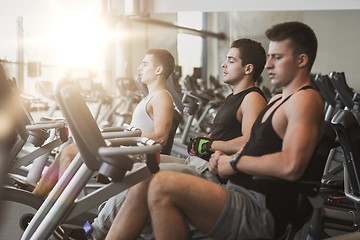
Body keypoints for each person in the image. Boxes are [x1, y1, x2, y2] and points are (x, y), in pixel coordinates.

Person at [105, 21, 325, 240]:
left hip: (258, 209)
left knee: (159, 184)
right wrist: (219, 153)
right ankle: (99, 232)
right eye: (269, 56)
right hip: (238, 191)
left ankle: (99, 230)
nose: (267, 65)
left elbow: (292, 166)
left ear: (301, 60)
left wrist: (233, 162)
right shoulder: (279, 99)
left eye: (277, 57)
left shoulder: (304, 99)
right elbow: (255, 146)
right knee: (147, 181)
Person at [90, 38, 268, 239]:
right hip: (195, 161)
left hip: (209, 172)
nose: (223, 64)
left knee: (144, 176)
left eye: (231, 60)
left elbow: (249, 142)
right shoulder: (234, 97)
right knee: (134, 166)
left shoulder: (253, 98)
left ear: (248, 68)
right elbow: (225, 133)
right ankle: (108, 222)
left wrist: (210, 145)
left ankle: (97, 231)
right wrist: (202, 140)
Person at [32, 48, 175, 197]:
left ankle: (61, 206)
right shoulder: (151, 97)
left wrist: (118, 140)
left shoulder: (162, 97)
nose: (139, 68)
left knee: (69, 153)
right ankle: (36, 200)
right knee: (65, 151)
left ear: (159, 70)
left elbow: (161, 137)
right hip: (129, 148)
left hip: (137, 155)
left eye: (145, 64)